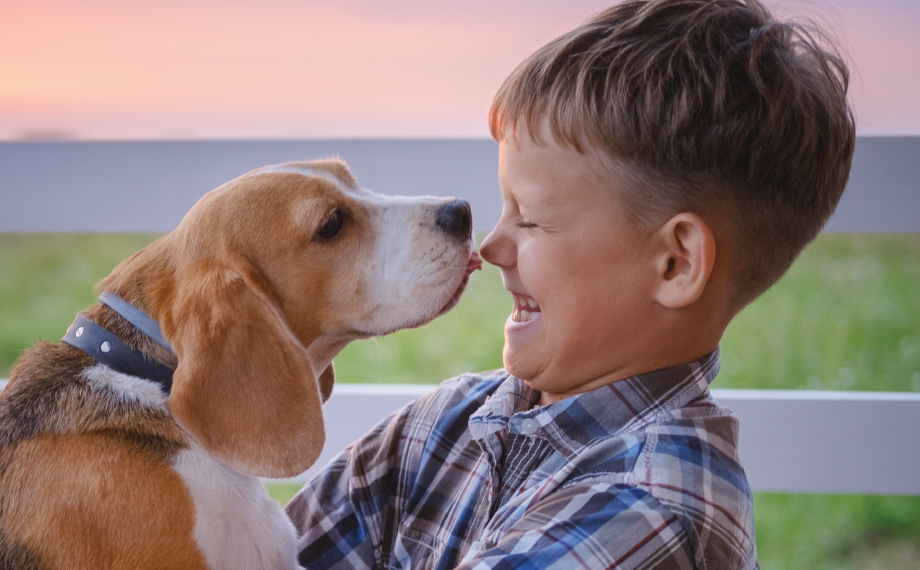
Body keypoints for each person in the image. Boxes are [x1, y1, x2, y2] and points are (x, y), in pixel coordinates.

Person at [285, 0, 855, 568]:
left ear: (676, 264)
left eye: (529, 218)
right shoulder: (444, 425)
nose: (489, 247)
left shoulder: (654, 510)